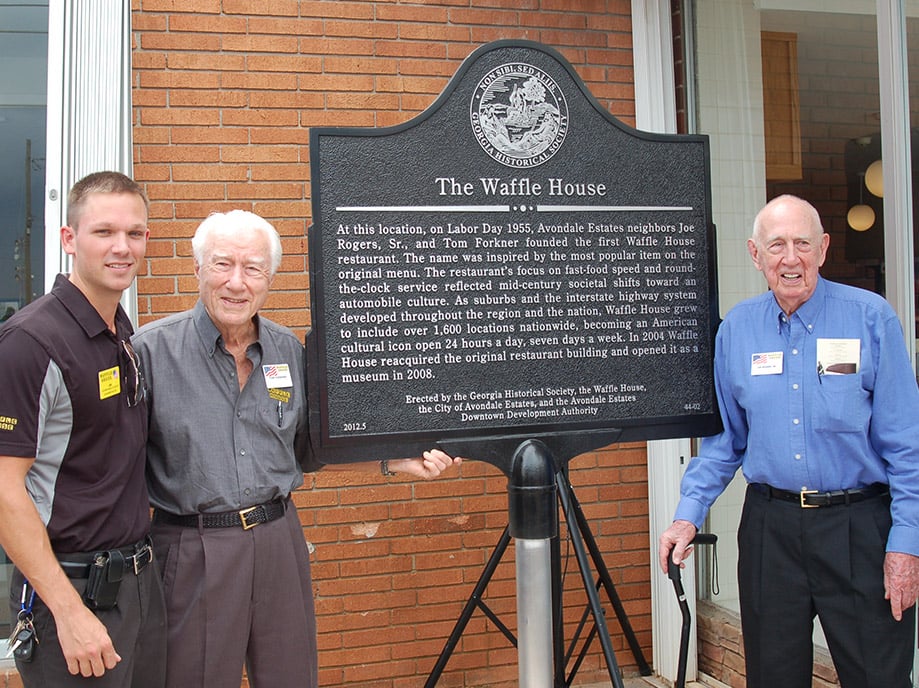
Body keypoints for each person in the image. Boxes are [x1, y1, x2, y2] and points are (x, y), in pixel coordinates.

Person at [132, 209, 460, 688]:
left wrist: (396, 459)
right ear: (197, 268)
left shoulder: (289, 352)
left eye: (254, 268)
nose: (237, 283)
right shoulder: (150, 353)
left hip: (278, 540)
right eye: (223, 264)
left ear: (270, 278)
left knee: (291, 676)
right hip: (191, 547)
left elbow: (309, 448)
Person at [659, 194, 919, 687]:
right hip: (770, 532)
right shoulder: (737, 330)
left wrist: (906, 546)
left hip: (859, 528)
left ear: (822, 249)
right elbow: (724, 441)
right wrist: (686, 515)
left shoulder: (870, 318)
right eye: (776, 245)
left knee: (878, 677)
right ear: (756, 255)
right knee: (774, 677)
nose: (791, 258)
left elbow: (907, 445)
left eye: (802, 243)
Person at [0, 171, 166, 686]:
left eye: (135, 233)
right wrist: (69, 613)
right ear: (69, 239)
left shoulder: (119, 331)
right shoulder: (31, 342)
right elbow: (5, 491)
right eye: (104, 232)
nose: (123, 247)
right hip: (72, 593)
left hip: (138, 585)